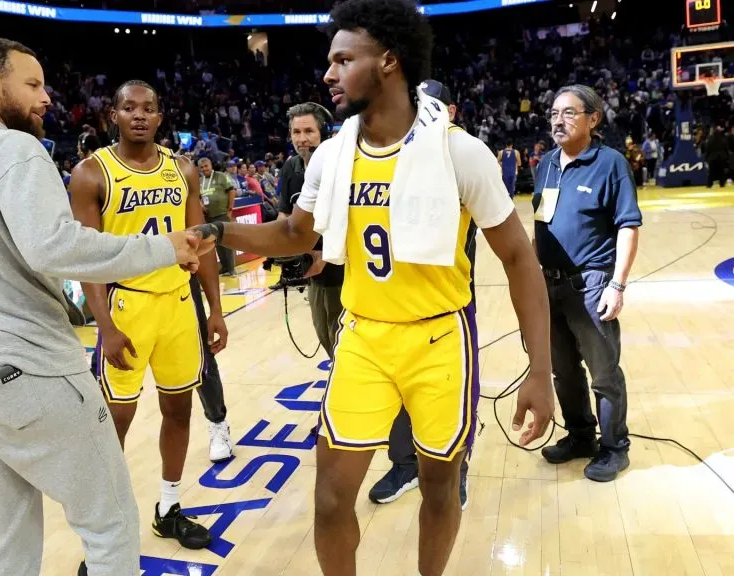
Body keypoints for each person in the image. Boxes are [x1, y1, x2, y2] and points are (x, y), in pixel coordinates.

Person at [192, 1, 554, 573]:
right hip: (363, 336)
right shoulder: (333, 157)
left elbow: (518, 259)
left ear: (388, 60)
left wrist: (539, 370)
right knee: (332, 497)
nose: (329, 74)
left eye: (342, 59)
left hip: (439, 341)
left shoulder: (459, 151)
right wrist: (217, 229)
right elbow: (293, 232)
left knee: (439, 486)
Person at [0, 37, 210, 576]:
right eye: (32, 84)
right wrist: (165, 246)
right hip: (26, 372)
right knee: (112, 522)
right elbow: (57, 246)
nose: (46, 97)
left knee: (7, 541)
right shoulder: (12, 148)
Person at [70, 79, 225, 550]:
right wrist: (106, 327)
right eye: (129, 107)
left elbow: (203, 241)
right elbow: (86, 259)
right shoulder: (90, 173)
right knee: (115, 420)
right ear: (113, 115)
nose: (139, 115)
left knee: (178, 409)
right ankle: (106, 534)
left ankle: (168, 507)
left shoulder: (182, 170)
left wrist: (215, 310)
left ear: (161, 117)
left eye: (149, 108)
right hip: (125, 306)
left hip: (178, 303)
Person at [368, 79, 473, 509]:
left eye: (434, 105)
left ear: (451, 111)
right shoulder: (393, 155)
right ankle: (404, 463)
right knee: (397, 388)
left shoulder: (461, 155)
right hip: (395, 298)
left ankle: (456, 471)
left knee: (457, 389)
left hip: (450, 301)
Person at [534, 85, 641, 483]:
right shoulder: (545, 163)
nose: (558, 120)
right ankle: (580, 436)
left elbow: (628, 225)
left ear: (593, 119)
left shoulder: (610, 162)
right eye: (553, 113)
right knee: (564, 370)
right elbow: (541, 222)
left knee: (603, 371)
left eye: (568, 113)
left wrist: (617, 284)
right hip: (549, 283)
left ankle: (615, 447)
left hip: (593, 281)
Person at [276, 102, 344, 358]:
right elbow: (284, 215)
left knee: (344, 338)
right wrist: (280, 249)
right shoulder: (290, 167)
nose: (301, 139)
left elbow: (350, 220)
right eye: (296, 132)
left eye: (309, 131)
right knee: (324, 335)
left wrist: (323, 255)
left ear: (323, 133)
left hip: (344, 268)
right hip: (313, 269)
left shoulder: (339, 166)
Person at [197, 156, 236, 275]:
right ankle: (224, 266)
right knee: (216, 242)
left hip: (222, 214)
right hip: (209, 216)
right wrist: (201, 205)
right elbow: (198, 197)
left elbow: (232, 191)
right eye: (201, 167)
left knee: (227, 241)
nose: (204, 169)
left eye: (206, 166)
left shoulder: (221, 176)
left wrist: (229, 209)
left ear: (211, 166)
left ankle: (231, 268)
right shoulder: (200, 181)